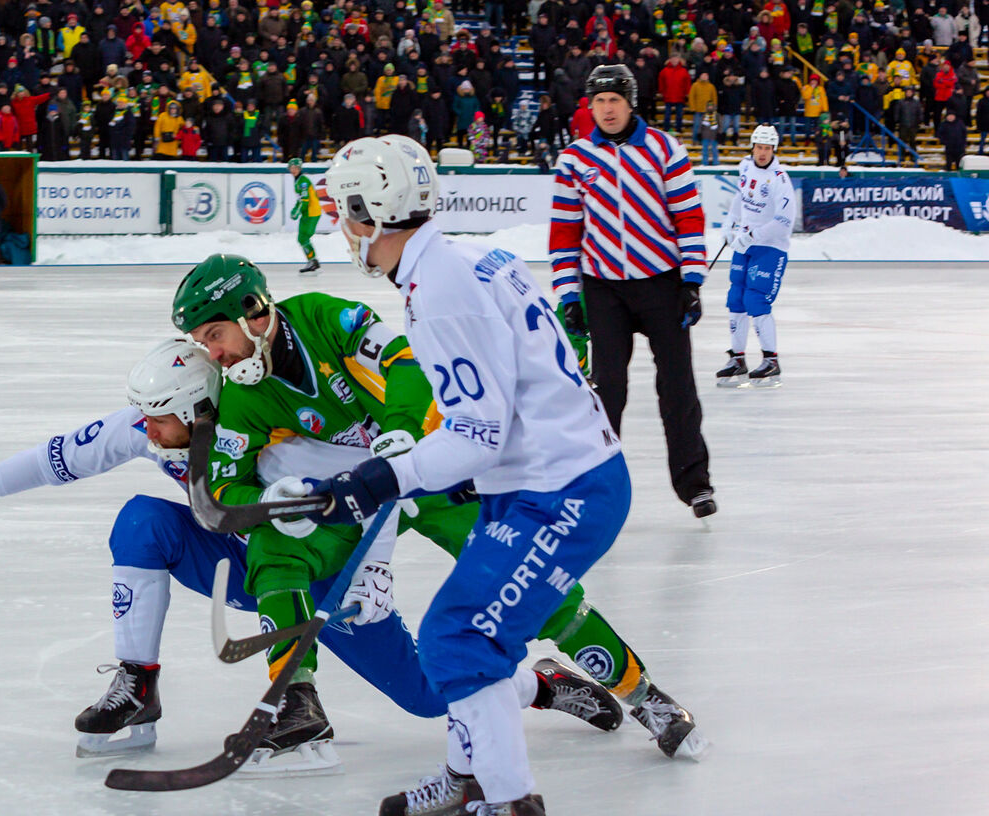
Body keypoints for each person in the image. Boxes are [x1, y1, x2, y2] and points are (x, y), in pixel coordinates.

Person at [0, 339, 623, 765]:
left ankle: (540, 685)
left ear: (199, 412)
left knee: (429, 700)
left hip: (324, 576)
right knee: (141, 523)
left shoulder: (280, 441)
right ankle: (138, 685)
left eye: (159, 421)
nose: (145, 431)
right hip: (238, 564)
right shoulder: (148, 425)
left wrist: (372, 571)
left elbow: (385, 492)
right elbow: (58, 457)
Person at [173, 253, 701, 770]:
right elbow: (224, 487)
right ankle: (294, 699)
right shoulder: (243, 396)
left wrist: (401, 430)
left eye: (215, 335)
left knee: (527, 577)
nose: (212, 354)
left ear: (253, 311)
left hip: (429, 468)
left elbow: (404, 359)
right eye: (201, 343)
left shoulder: (322, 315)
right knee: (275, 546)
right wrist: (270, 501)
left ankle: (644, 695)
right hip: (357, 494)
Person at [314, 133, 643, 816]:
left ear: (372, 212)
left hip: (562, 492)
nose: (338, 226)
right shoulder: (462, 260)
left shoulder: (441, 290)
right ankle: (471, 776)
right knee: (467, 633)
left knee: (459, 635)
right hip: (546, 479)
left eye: (343, 211)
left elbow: (476, 433)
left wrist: (384, 477)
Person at [549, 65, 716, 519]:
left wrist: (691, 281)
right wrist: (569, 295)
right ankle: (598, 487)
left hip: (662, 284)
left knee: (677, 387)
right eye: (599, 101)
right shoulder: (575, 160)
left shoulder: (664, 148)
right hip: (605, 290)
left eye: (615, 100)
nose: (607, 109)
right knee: (607, 390)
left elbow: (688, 217)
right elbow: (565, 232)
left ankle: (695, 484)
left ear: (630, 103)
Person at [716, 125, 795, 389]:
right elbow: (741, 197)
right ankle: (737, 358)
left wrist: (753, 236)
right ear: (753, 147)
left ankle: (771, 360)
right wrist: (730, 223)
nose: (762, 153)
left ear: (774, 150)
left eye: (767, 148)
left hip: (770, 246)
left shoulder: (780, 180)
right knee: (736, 298)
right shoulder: (746, 167)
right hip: (745, 244)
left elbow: (784, 221)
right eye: (759, 147)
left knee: (755, 298)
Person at [288, 158, 322, 274]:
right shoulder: (298, 180)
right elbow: (301, 199)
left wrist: (297, 211)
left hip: (311, 212)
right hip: (308, 212)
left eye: (296, 168)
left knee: (303, 238)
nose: (294, 170)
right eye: (292, 168)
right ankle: (313, 260)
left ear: (300, 168)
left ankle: (312, 261)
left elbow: (304, 200)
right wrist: (296, 209)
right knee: (302, 238)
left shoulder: (303, 181)